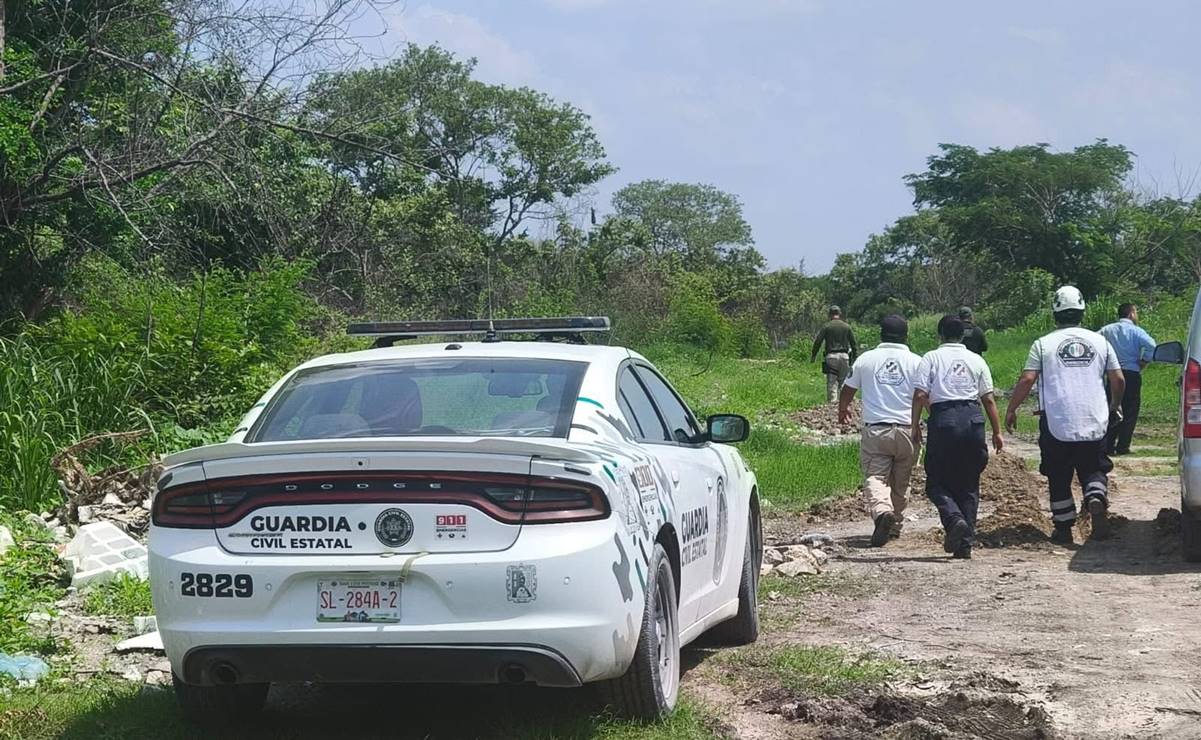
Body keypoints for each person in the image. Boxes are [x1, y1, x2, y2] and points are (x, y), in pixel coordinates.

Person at [1005, 286, 1125, 544]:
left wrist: (1012, 408)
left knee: (1058, 474)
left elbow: (1027, 378)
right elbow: (1118, 379)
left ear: (1055, 313)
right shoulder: (1101, 342)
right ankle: (1095, 497)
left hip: (1056, 421)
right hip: (1094, 419)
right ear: (1082, 311)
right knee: (1094, 468)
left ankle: (1063, 529)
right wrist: (1114, 406)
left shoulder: (1043, 344)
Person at [911, 315, 1005, 560]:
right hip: (974, 419)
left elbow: (920, 395)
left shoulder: (931, 358)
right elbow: (988, 399)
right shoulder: (975, 360)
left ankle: (954, 520)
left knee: (936, 482)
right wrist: (997, 432)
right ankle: (965, 544)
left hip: (944, 419)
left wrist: (915, 426)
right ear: (963, 334)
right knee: (969, 482)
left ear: (940, 334)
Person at [839, 315, 922, 547]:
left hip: (876, 430)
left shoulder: (866, 359)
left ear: (881, 334)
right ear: (906, 335)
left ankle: (883, 512)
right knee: (901, 482)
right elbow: (924, 395)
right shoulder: (917, 361)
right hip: (907, 429)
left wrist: (843, 409)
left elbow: (848, 388)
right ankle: (894, 525)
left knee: (876, 476)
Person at [1098, 303, 1156, 456]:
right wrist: (1144, 360)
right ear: (1131, 314)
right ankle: (1123, 445)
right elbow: (1152, 345)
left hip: (1113, 373)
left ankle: (1108, 444)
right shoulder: (1137, 331)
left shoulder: (1107, 330)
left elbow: (1094, 341)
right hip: (1131, 372)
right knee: (1130, 410)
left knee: (1112, 407)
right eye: (1135, 312)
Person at [811, 305, 859, 404]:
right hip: (844, 357)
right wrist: (855, 357)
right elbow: (853, 343)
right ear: (839, 314)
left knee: (832, 383)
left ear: (830, 314)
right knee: (843, 382)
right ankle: (845, 404)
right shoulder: (846, 326)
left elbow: (818, 341)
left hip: (831, 357)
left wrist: (814, 355)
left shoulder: (827, 326)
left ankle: (832, 406)